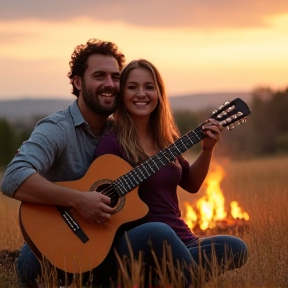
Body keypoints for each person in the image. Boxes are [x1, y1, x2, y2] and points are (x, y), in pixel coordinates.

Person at [91, 59, 248, 287]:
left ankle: (161, 278)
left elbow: (192, 184)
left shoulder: (166, 142)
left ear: (159, 94)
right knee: (158, 231)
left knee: (236, 248)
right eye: (132, 87)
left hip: (182, 240)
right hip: (137, 244)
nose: (141, 94)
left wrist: (207, 150)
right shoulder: (111, 144)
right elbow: (98, 202)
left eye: (149, 87)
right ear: (122, 94)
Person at [0, 38, 126, 287]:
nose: (110, 84)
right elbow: (13, 176)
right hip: (52, 243)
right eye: (99, 76)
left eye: (116, 77)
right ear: (78, 82)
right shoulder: (57, 128)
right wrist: (79, 200)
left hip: (102, 241)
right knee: (34, 264)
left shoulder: (121, 132)